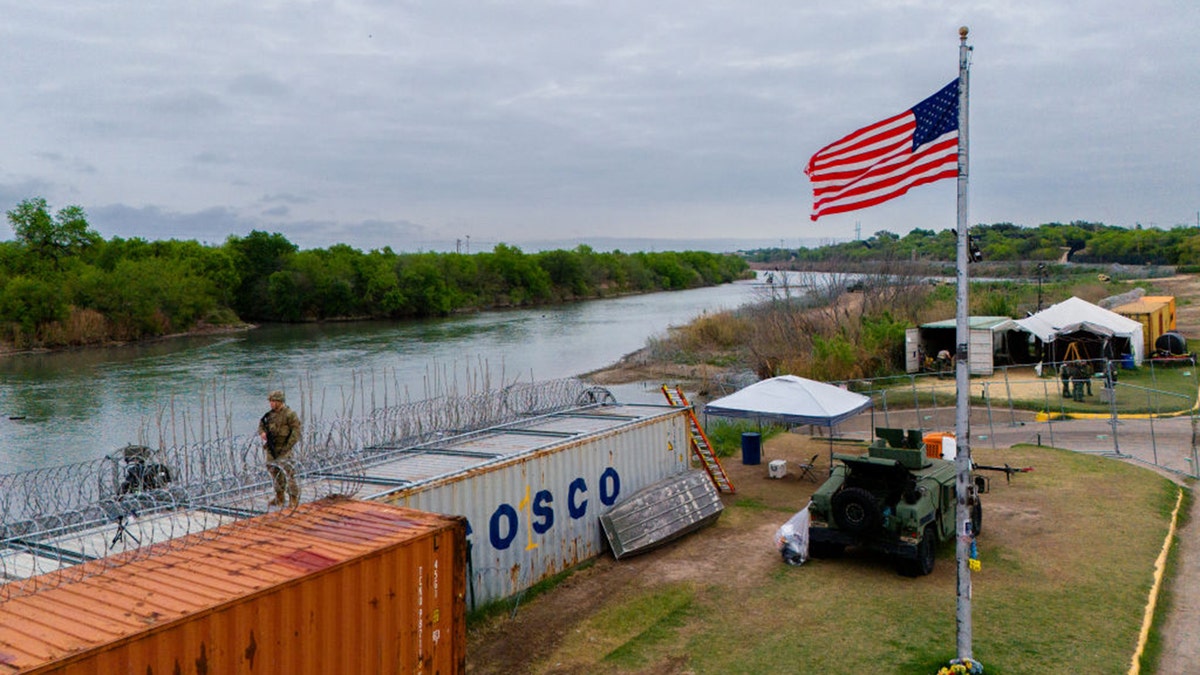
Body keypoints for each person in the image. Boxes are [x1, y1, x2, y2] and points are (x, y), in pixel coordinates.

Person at [259, 390, 302, 507]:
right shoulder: (269, 415)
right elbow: (261, 424)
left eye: (273, 401)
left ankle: (293, 498)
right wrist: (262, 433)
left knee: (288, 473)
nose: (271, 404)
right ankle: (279, 496)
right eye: (271, 401)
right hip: (271, 448)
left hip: (284, 448)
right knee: (274, 472)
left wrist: (287, 447)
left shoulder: (290, 414)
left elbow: (296, 432)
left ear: (280, 401)